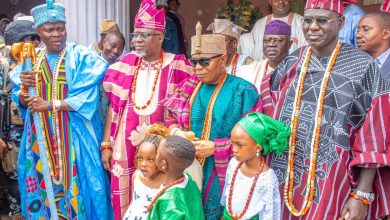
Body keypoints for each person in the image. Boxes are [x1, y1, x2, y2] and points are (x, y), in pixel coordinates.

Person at [260, 0, 390, 219]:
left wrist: (361, 194)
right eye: (308, 20)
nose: (312, 27)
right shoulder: (292, 61)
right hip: (283, 175)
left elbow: (374, 133)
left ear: (340, 23)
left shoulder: (362, 66)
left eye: (322, 20)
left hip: (333, 179)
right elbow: (267, 105)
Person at [11, 1, 112, 219]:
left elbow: (87, 98)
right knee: (40, 183)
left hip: (75, 135)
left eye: (61, 28)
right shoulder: (31, 61)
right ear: (38, 32)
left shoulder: (81, 57)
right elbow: (19, 96)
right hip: (39, 137)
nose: (57, 34)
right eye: (49, 30)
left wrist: (51, 105)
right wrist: (24, 92)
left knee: (83, 186)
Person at [101, 0, 191, 218]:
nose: (137, 41)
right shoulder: (122, 67)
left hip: (161, 146)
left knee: (159, 196)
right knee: (123, 197)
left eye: (144, 35)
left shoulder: (178, 66)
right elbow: (114, 108)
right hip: (124, 144)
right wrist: (106, 145)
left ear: (160, 38)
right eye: (135, 35)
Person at [162, 22, 259, 219]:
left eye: (205, 62)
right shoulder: (188, 86)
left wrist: (216, 148)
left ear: (223, 59)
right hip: (187, 171)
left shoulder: (244, 91)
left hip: (225, 173)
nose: (197, 68)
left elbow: (256, 139)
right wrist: (177, 133)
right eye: (194, 61)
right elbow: (169, 117)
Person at [222, 112, 290, 219]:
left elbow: (270, 214)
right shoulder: (233, 164)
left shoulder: (266, 179)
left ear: (258, 147)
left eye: (239, 145)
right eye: (232, 143)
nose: (234, 149)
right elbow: (228, 194)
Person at [147, 135, 204, 219]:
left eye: (158, 152)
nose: (156, 154)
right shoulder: (188, 179)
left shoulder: (169, 203)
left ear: (163, 164)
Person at [123, 124, 168, 220]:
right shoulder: (136, 176)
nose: (143, 164)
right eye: (140, 158)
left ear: (162, 159)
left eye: (150, 160)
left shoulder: (168, 182)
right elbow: (133, 202)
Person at [237, 20, 292, 91]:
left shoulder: (297, 70)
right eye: (267, 40)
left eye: (279, 40)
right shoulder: (247, 71)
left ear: (290, 44)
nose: (271, 44)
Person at [356, 12, 390, 79]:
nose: (358, 35)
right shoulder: (354, 63)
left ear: (385, 34)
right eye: (358, 30)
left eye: (366, 30)